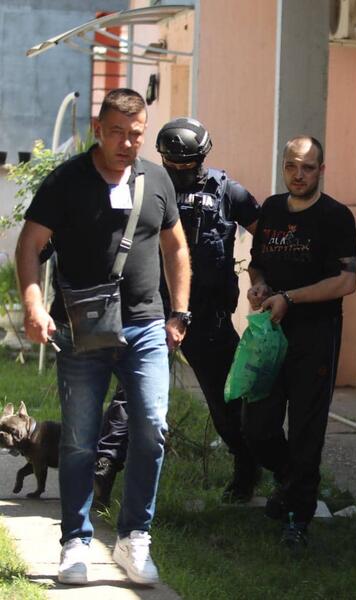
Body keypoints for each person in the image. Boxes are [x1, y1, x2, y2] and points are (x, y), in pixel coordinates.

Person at [15, 89, 191, 586]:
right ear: (97, 129)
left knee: (152, 427)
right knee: (78, 440)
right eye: (117, 132)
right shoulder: (67, 181)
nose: (127, 143)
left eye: (136, 134)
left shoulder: (156, 179)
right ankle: (75, 542)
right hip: (81, 329)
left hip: (146, 326)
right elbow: (29, 245)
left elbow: (176, 247)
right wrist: (33, 305)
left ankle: (135, 539)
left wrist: (179, 313)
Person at [93, 117, 262, 507]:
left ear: (202, 156)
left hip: (207, 316)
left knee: (227, 399)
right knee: (129, 392)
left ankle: (246, 467)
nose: (181, 172)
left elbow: (268, 233)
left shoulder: (227, 191)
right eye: (173, 164)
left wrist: (263, 276)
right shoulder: (142, 185)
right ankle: (104, 467)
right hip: (152, 309)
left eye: (188, 164)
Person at [244, 136, 356, 548]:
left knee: (307, 429)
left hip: (316, 334)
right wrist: (259, 287)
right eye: (292, 165)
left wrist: (289, 298)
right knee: (257, 426)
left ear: (321, 171)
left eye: (308, 168)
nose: (298, 174)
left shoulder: (336, 217)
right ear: (283, 166)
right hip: (270, 333)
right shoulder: (272, 209)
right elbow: (257, 265)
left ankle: (298, 516)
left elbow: (346, 281)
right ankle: (289, 479)